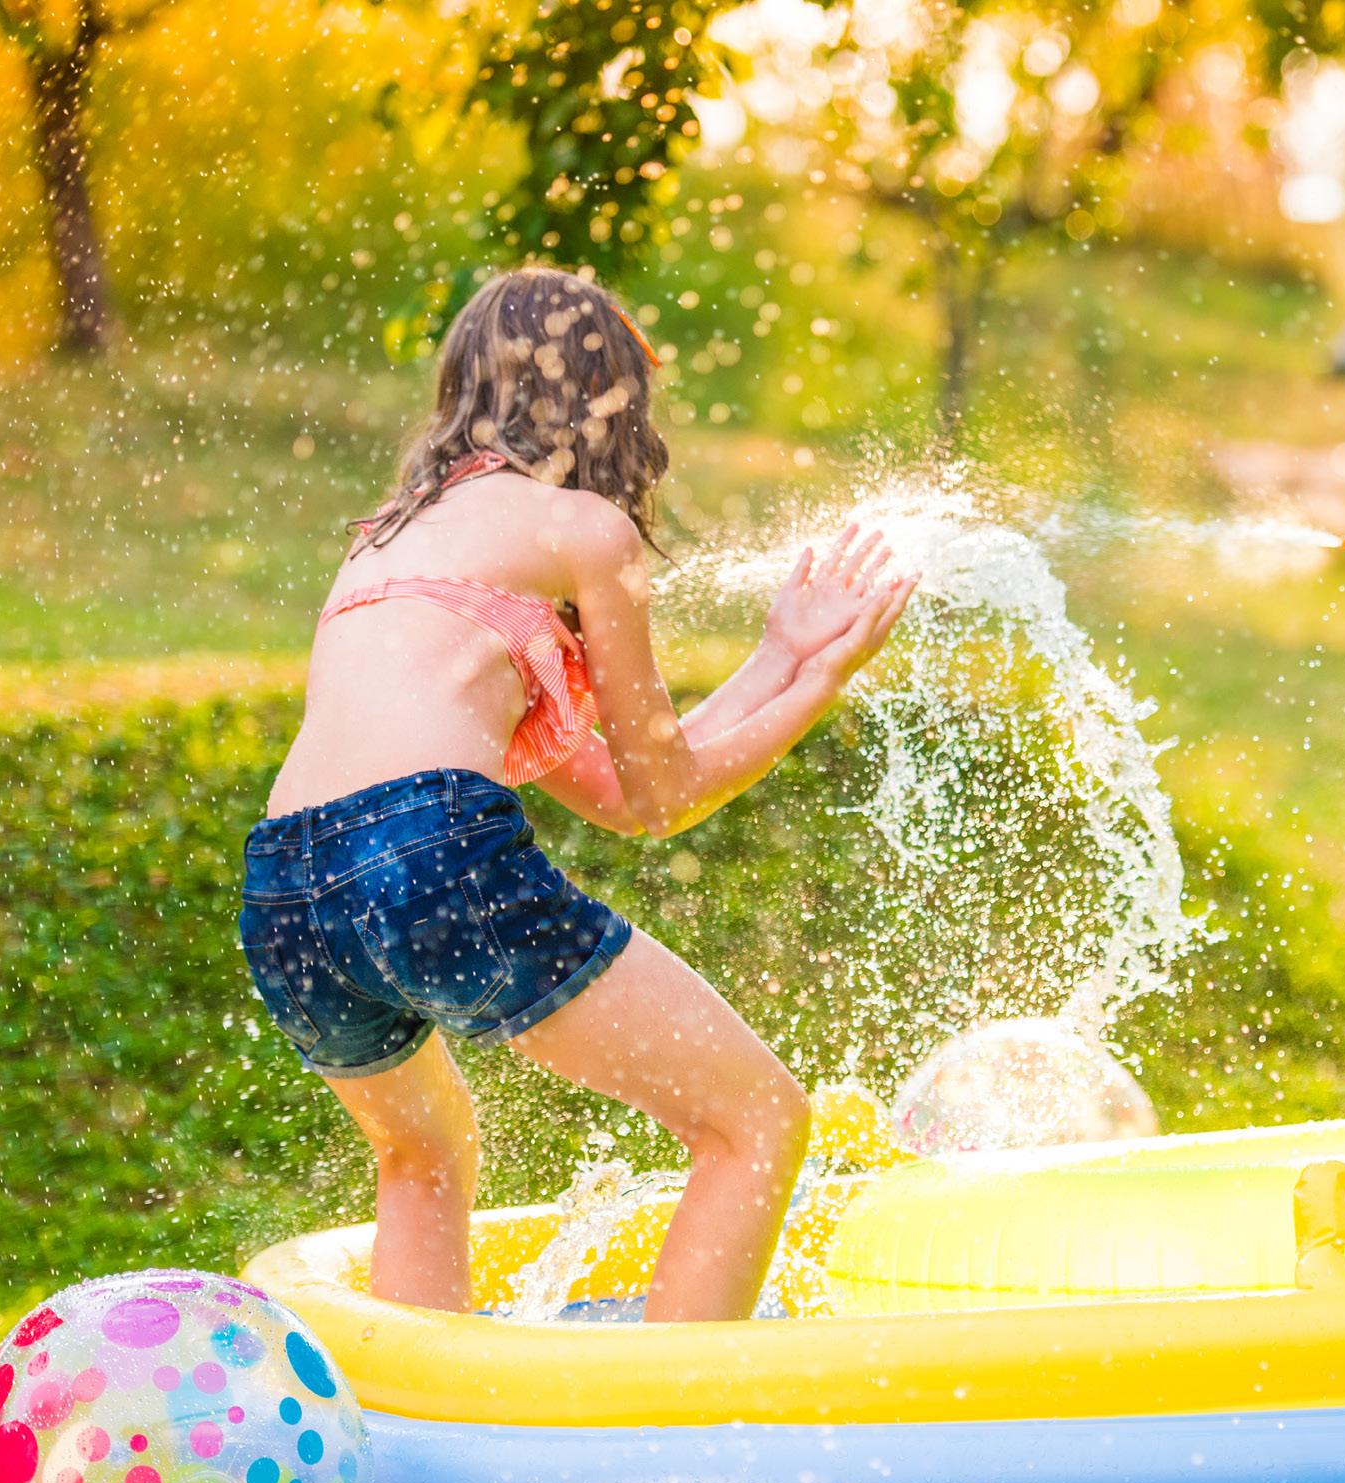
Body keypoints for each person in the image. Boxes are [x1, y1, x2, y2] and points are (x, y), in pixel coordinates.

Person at [239, 266, 915, 1321]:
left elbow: (617, 780)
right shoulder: (584, 531)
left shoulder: (385, 540)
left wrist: (779, 653)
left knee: (423, 1157)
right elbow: (663, 801)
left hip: (287, 891)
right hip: (430, 852)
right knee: (759, 1123)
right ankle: (660, 1450)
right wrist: (820, 681)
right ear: (607, 403)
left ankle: (423, 1449)